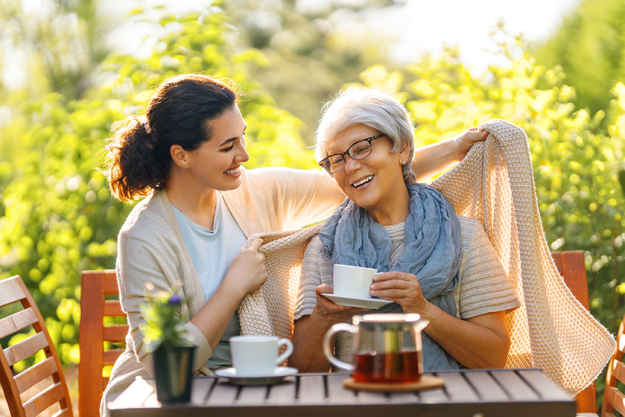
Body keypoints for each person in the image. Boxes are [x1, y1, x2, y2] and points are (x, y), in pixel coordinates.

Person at [101, 74, 487, 414]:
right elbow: (163, 365)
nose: (244, 155)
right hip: (181, 398)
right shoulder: (146, 238)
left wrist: (454, 148)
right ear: (181, 155)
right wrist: (233, 288)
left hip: (260, 388)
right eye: (228, 146)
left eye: (243, 137)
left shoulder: (252, 189)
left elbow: (354, 178)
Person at [290, 87, 521, 372]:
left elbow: (493, 358)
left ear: (402, 149)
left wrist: (423, 310)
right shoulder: (325, 247)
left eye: (361, 148)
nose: (349, 166)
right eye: (336, 159)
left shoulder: (463, 236)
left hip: (444, 404)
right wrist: (324, 319)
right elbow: (302, 373)